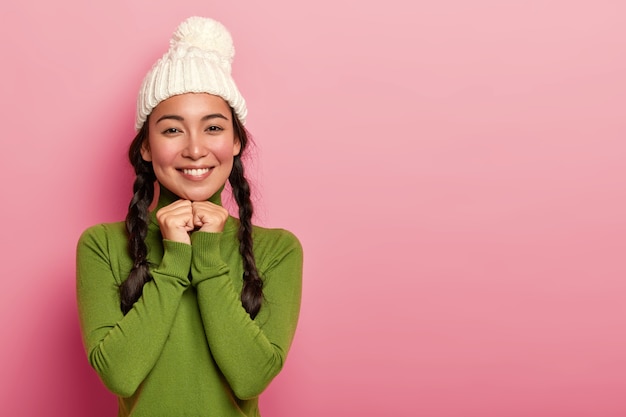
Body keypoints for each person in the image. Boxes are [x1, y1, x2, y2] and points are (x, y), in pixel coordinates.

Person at [76, 16, 303, 416]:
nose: (195, 149)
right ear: (146, 146)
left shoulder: (277, 249)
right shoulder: (101, 245)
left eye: (213, 127)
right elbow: (119, 375)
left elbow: (251, 378)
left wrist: (208, 255)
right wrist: (176, 257)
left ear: (235, 141)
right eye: (172, 130)